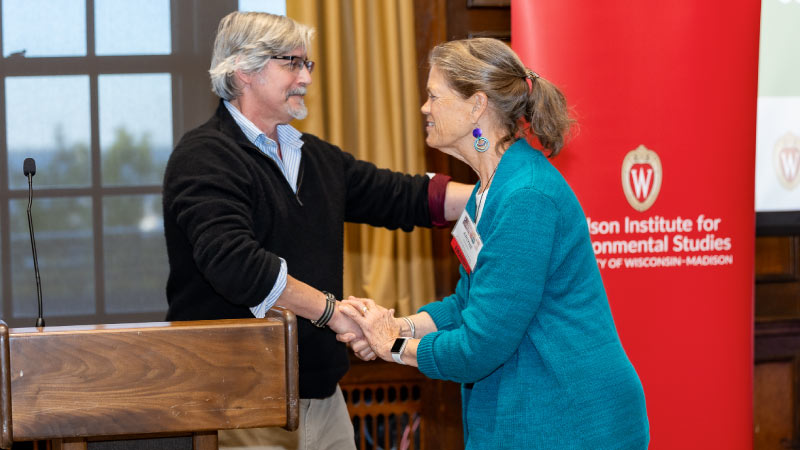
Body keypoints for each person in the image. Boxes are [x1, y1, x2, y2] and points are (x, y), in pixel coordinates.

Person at [161, 11, 471, 450]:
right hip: (236, 399)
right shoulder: (204, 157)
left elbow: (402, 196)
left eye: (308, 64)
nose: (305, 77)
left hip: (323, 396)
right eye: (292, 62)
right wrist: (331, 311)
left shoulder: (315, 157)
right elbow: (237, 266)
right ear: (244, 69)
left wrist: (495, 192)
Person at [338, 38, 650, 449]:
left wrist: (392, 345)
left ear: (476, 107)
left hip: (572, 421)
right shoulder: (492, 189)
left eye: (434, 95)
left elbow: (477, 349)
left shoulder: (526, 197)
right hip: (537, 410)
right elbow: (467, 305)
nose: (424, 108)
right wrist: (400, 327)